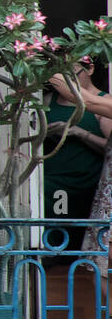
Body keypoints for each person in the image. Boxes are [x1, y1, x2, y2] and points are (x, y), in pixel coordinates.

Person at [44, 58, 112, 253]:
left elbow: (108, 147)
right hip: (54, 175)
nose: (68, 83)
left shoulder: (103, 103)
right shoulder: (49, 100)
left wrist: (78, 133)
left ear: (90, 69)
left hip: (85, 180)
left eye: (72, 76)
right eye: (62, 77)